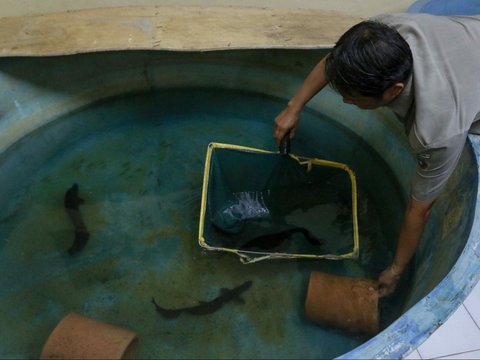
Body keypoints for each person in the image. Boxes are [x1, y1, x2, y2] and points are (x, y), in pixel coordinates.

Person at [273, 13, 480, 297]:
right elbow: (335, 62)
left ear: (393, 91)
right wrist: (294, 107)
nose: (345, 101)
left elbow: (420, 208)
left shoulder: (436, 131)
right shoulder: (385, 34)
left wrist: (396, 270)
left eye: (354, 98)